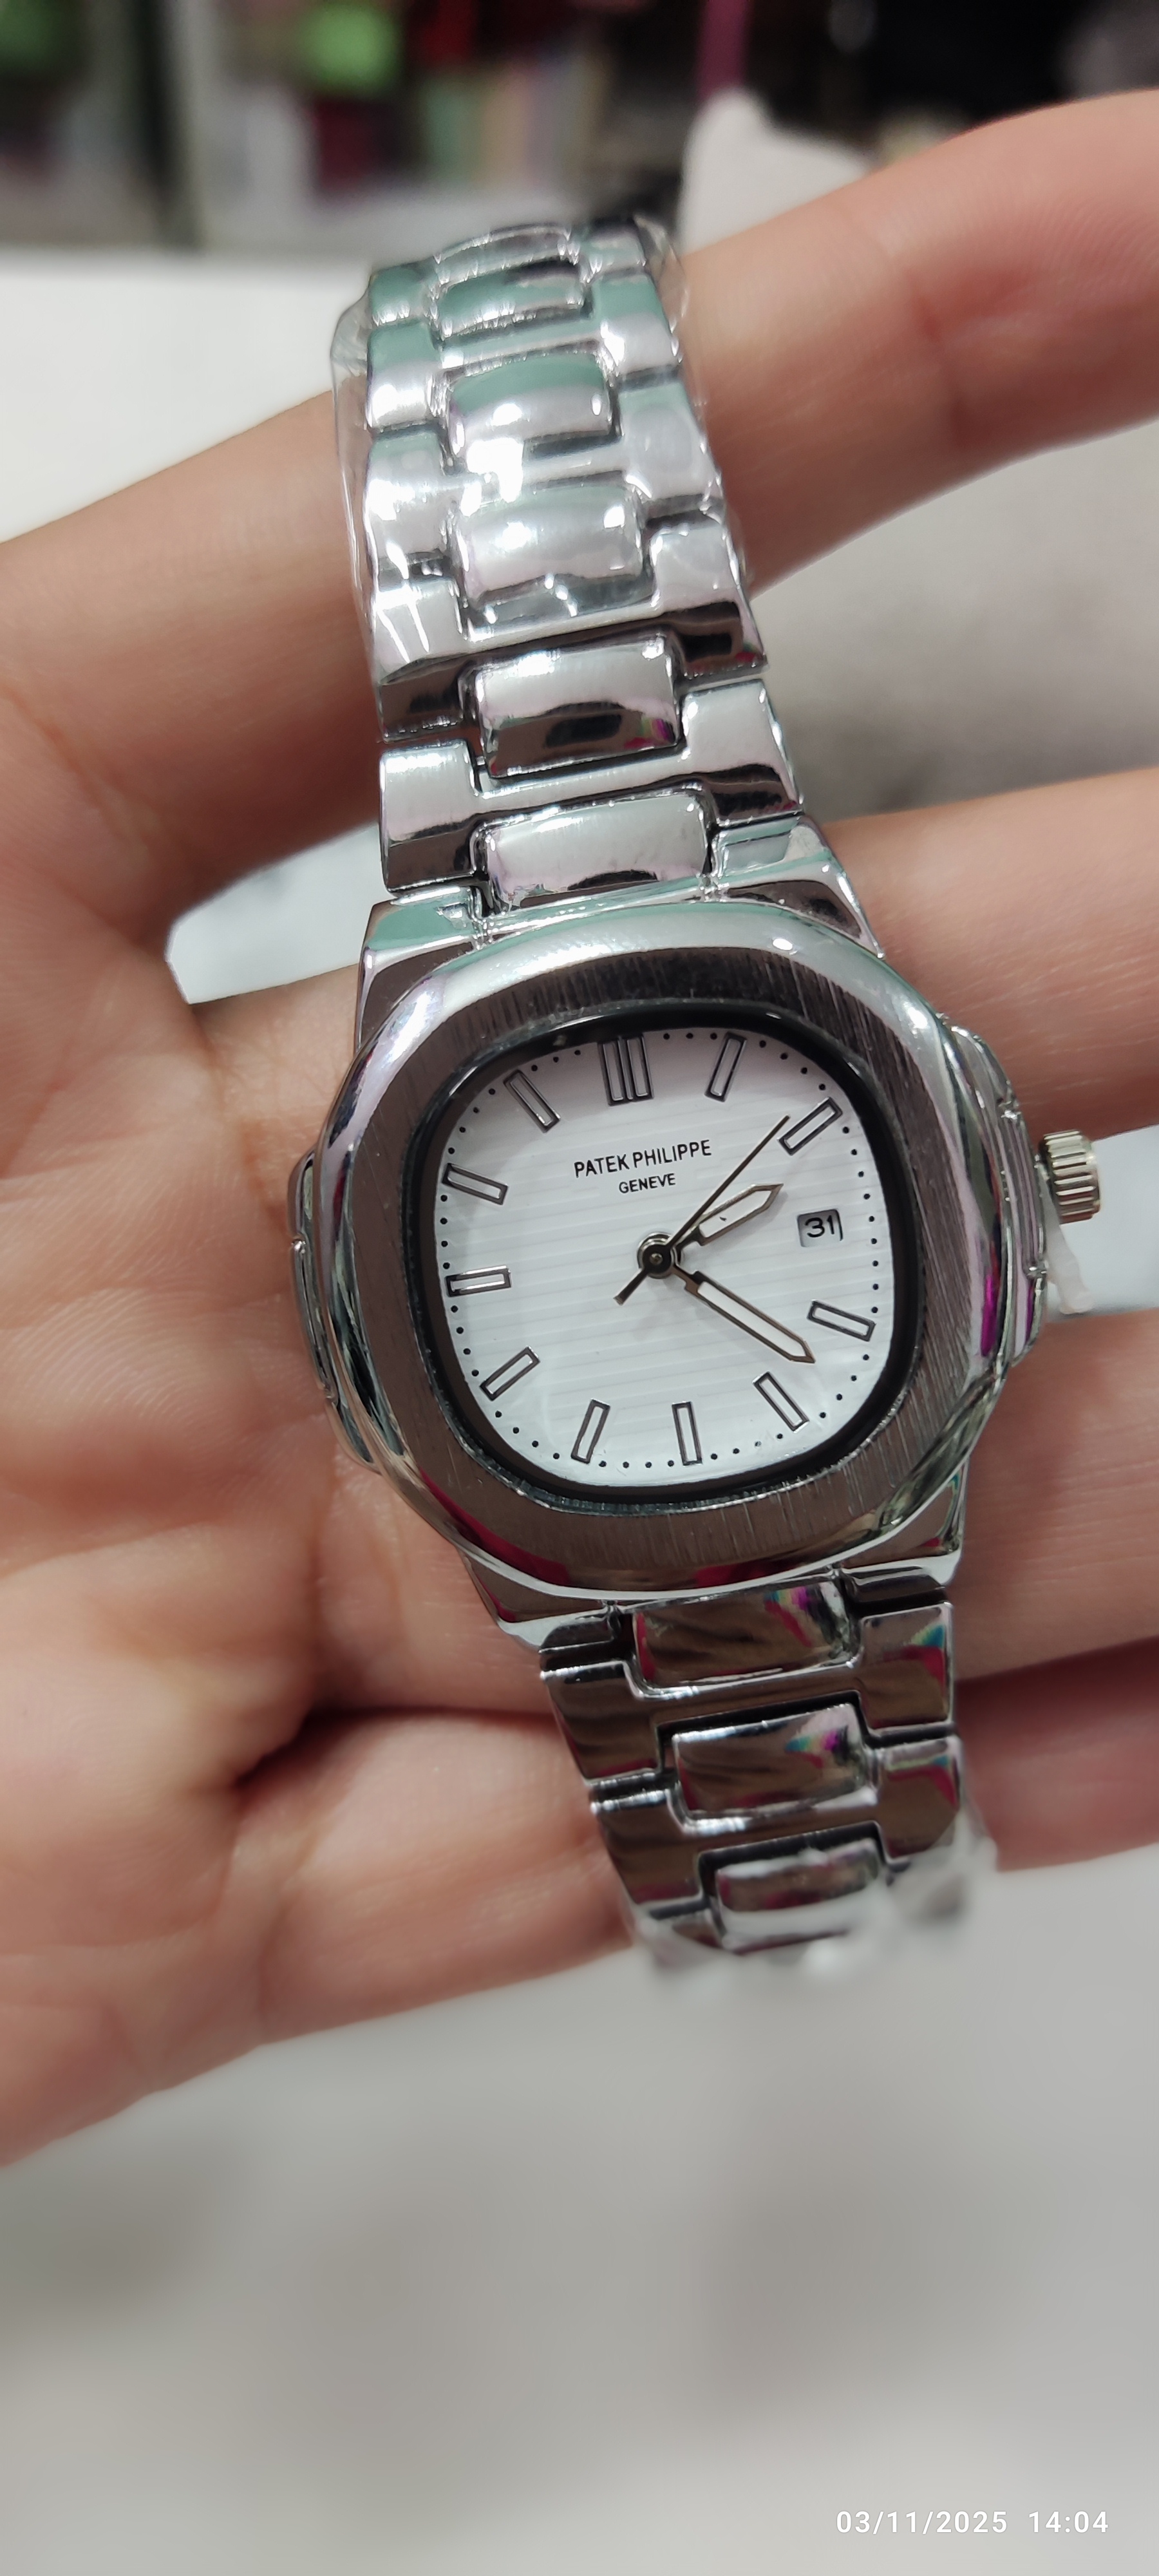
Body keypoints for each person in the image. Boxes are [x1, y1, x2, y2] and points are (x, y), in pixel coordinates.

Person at [1, 92, 1156, 2166]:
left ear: (998, 1178)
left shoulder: (803, 1054)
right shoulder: (465, 1270)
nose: (658, 1245)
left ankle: (818, 1885)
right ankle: (805, 1886)